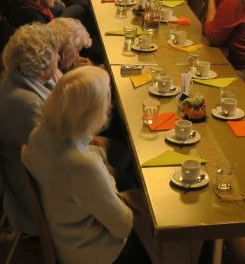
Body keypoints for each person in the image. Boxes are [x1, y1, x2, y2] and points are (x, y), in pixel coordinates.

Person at [22, 67, 155, 264]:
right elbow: (123, 227)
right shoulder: (82, 166)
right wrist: (105, 174)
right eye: (105, 101)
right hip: (94, 252)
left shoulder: (39, 134)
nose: (108, 106)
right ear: (91, 114)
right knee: (158, 229)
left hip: (65, 234)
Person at [0, 23, 60, 235]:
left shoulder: (14, 80)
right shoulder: (28, 104)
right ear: (40, 66)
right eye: (55, 55)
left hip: (29, 175)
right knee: (117, 161)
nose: (58, 59)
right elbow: (57, 156)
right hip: (35, 197)